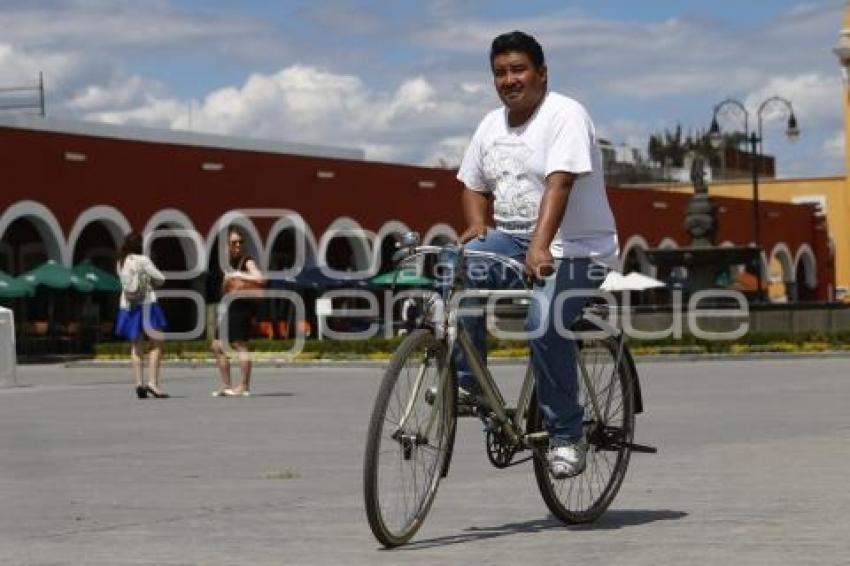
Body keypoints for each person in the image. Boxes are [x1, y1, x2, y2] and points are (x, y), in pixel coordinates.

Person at [454, 31, 618, 478]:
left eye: (518, 69)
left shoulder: (565, 114)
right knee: (456, 269)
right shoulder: (490, 125)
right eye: (500, 72)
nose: (509, 79)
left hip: (578, 250)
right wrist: (475, 226)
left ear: (542, 74)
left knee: (543, 320)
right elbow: (472, 182)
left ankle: (567, 434)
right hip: (513, 242)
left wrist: (543, 245)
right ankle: (470, 386)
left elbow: (559, 183)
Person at [210, 226, 266, 397]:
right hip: (229, 307)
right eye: (234, 242)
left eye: (241, 242)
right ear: (227, 245)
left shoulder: (246, 260)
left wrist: (238, 275)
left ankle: (243, 386)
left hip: (241, 308)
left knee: (239, 344)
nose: (238, 245)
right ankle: (226, 385)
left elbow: (260, 278)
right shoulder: (227, 263)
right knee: (217, 346)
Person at [115, 232, 169, 399]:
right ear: (140, 245)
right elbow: (161, 278)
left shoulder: (120, 262)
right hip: (147, 305)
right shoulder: (143, 260)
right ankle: (153, 383)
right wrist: (152, 282)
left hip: (128, 306)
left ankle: (139, 383)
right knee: (157, 343)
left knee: (136, 346)